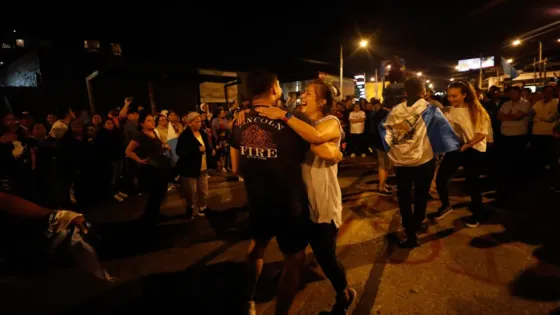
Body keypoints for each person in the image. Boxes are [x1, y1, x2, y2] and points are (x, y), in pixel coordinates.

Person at [254, 79, 356, 314]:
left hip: (321, 200)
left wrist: (287, 120)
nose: (303, 96)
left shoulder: (330, 121)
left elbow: (318, 140)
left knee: (325, 257)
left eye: (309, 93)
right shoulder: (298, 120)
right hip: (297, 202)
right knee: (293, 255)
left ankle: (344, 292)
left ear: (322, 101)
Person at [229, 70, 312, 315]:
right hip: (289, 203)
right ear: (275, 88)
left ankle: (248, 301)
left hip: (257, 200)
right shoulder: (293, 120)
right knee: (294, 259)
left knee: (257, 247)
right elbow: (314, 150)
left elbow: (235, 168)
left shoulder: (239, 121)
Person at [378, 77, 460, 248]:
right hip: (424, 160)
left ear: (406, 92)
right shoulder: (430, 110)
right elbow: (446, 132)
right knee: (421, 195)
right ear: (424, 92)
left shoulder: (396, 110)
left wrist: (396, 150)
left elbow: (385, 129)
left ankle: (409, 232)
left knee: (404, 197)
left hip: (402, 163)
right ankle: (418, 222)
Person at [434, 81, 491, 227]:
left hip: (474, 149)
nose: (451, 99)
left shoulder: (477, 111)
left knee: (473, 183)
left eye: (454, 96)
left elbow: (481, 134)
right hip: (456, 148)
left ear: (465, 95)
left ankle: (477, 215)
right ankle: (446, 205)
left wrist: (468, 144)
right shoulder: (448, 110)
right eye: (449, 96)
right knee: (441, 179)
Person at [125, 113, 171, 223]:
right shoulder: (139, 135)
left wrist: (164, 147)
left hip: (160, 166)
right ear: (142, 123)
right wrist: (139, 160)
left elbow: (156, 148)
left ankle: (155, 213)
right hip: (151, 168)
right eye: (149, 120)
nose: (152, 122)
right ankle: (149, 216)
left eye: (153, 120)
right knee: (155, 193)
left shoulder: (154, 132)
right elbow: (128, 151)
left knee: (161, 192)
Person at [176, 112, 215, 218]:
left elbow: (206, 145)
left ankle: (203, 207)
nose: (199, 124)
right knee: (191, 191)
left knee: (203, 190)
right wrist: (196, 150)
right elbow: (179, 152)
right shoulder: (184, 136)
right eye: (196, 122)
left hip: (203, 166)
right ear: (189, 123)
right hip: (190, 168)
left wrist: (211, 150)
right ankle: (191, 208)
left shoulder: (202, 133)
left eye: (200, 121)